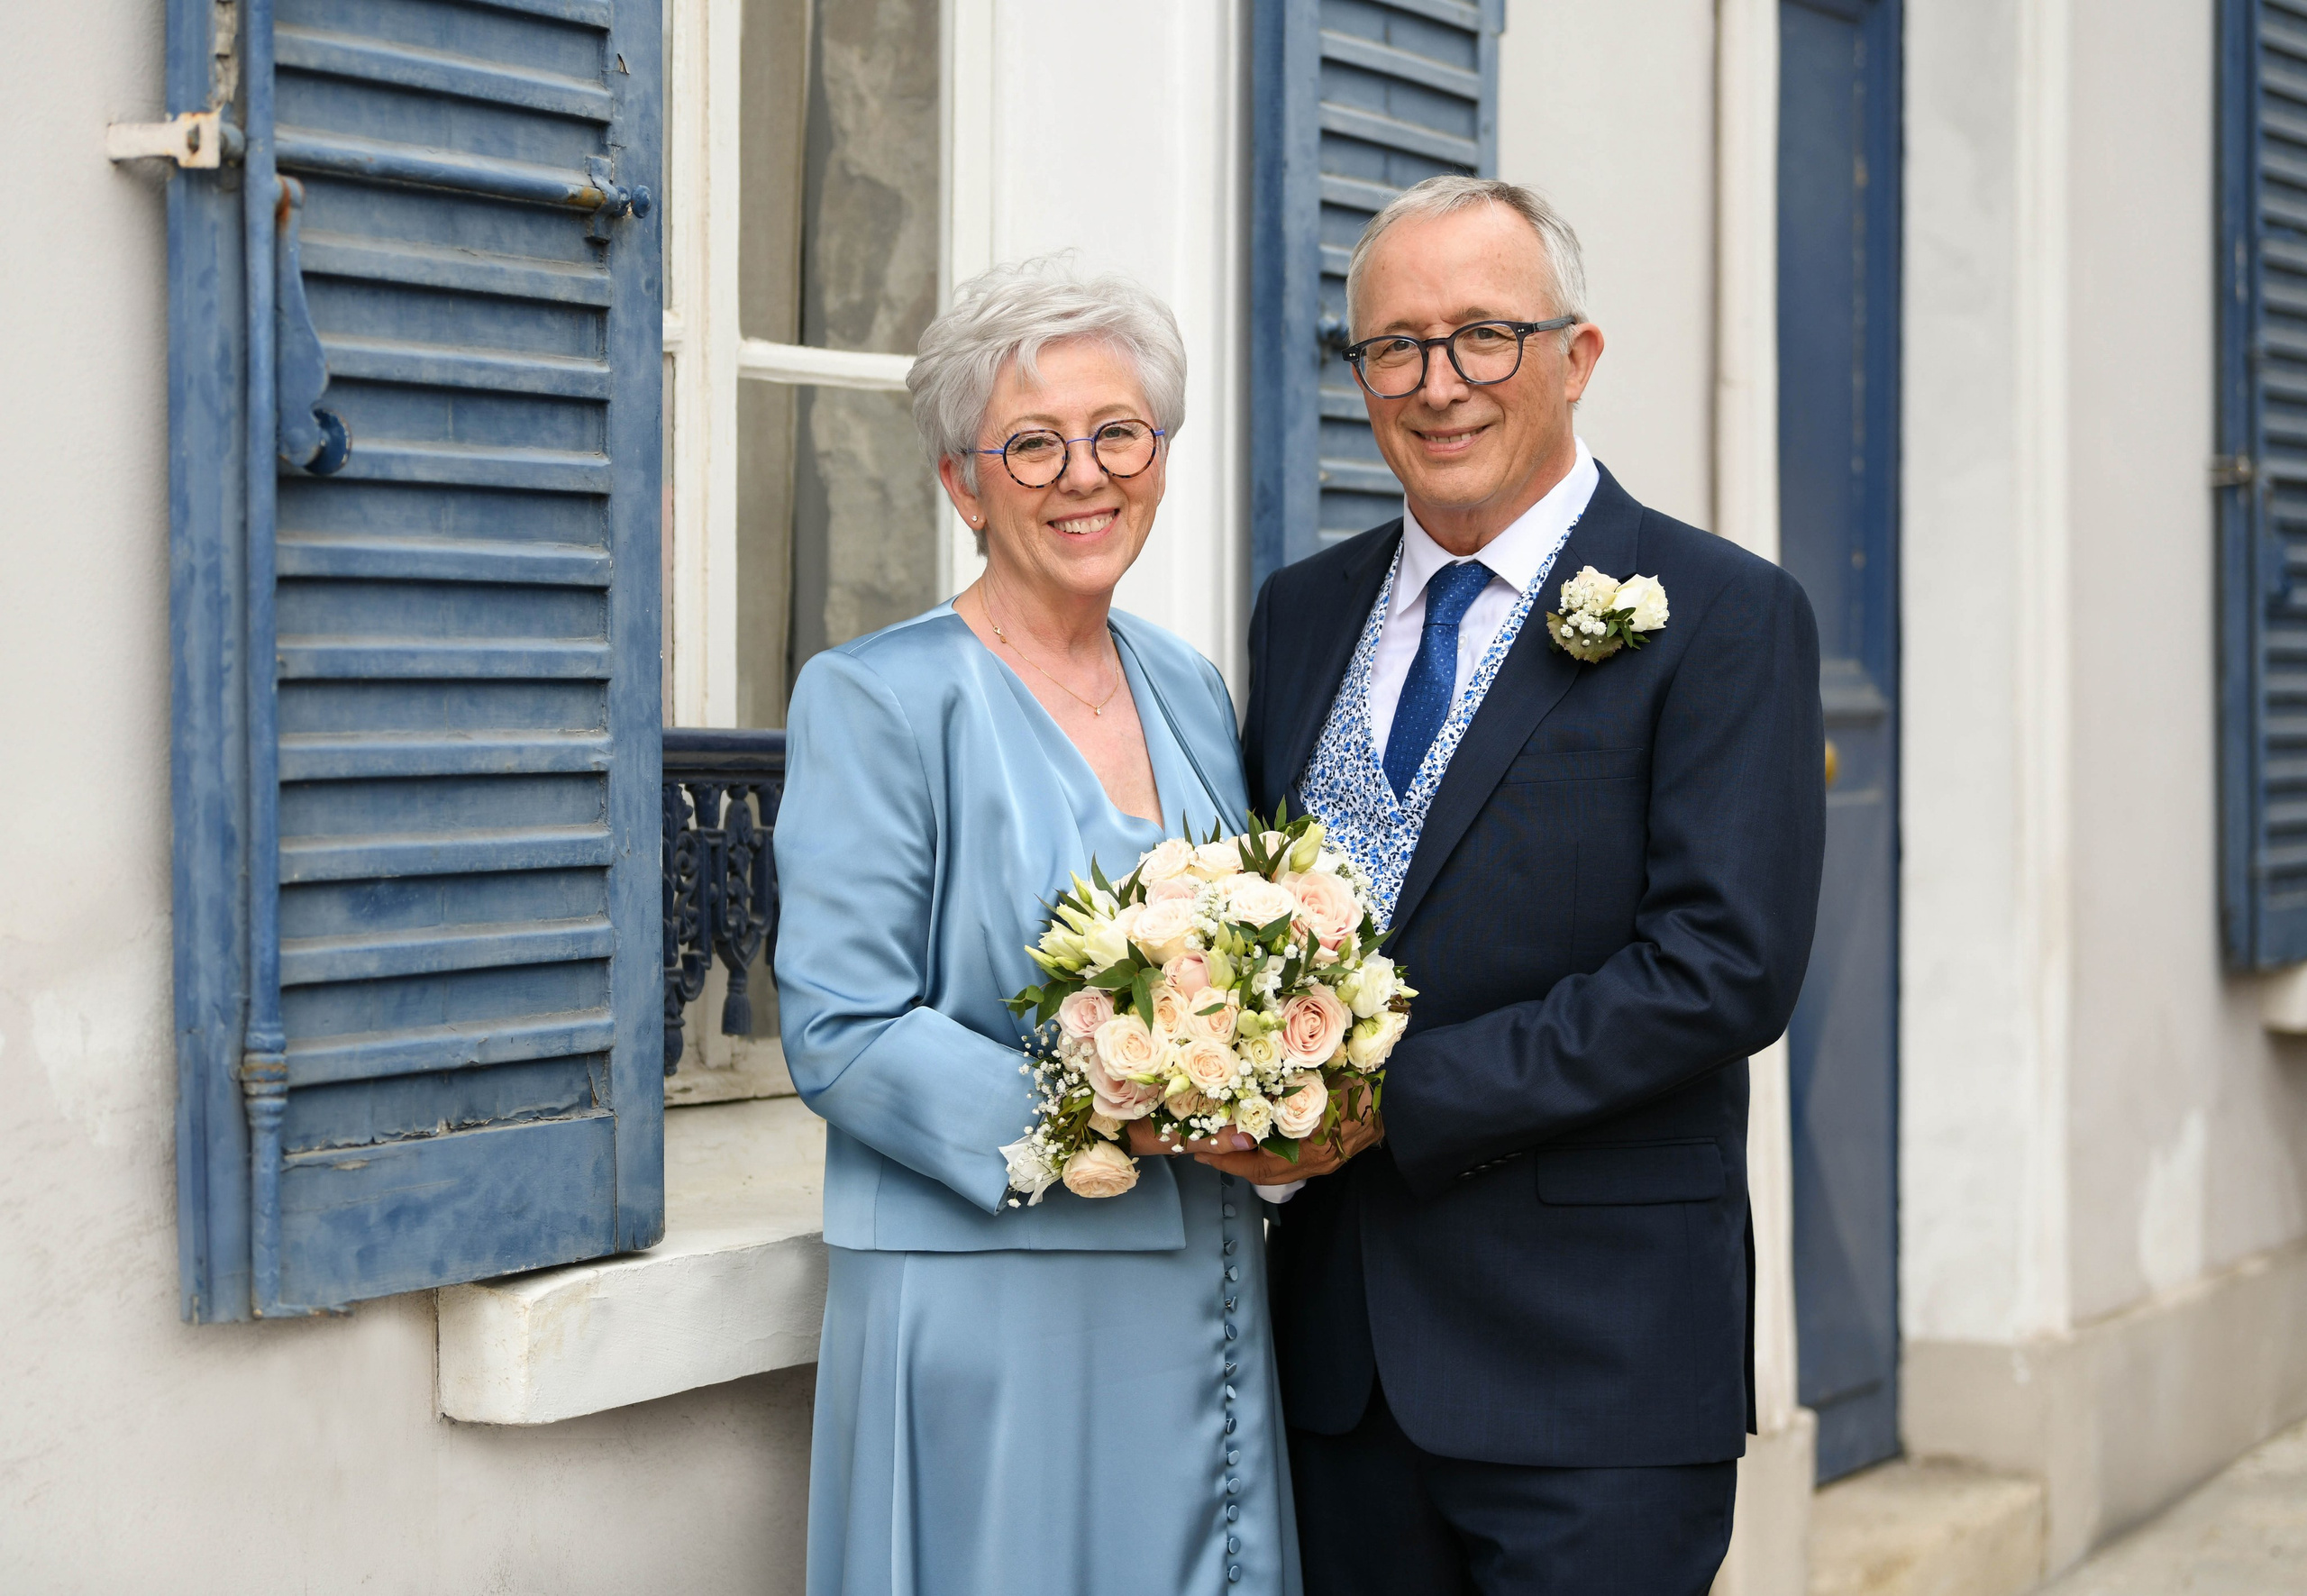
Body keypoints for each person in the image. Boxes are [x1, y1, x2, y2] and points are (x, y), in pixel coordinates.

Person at [1203, 177, 1828, 1591]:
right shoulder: (1301, 612)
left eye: (1485, 335)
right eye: (1396, 348)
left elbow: (1724, 967)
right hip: (1340, 1373)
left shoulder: (1723, 614)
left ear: (1575, 356)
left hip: (1593, 1374)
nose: (1440, 385)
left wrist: (1388, 1103)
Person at [774, 257, 1301, 1596]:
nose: (1086, 474)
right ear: (964, 483)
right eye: (1033, 443)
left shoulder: (1185, 685)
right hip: (991, 1293)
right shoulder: (874, 700)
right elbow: (841, 1031)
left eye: (1118, 432)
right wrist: (1122, 1116)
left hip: (1204, 1282)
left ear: (1159, 458)